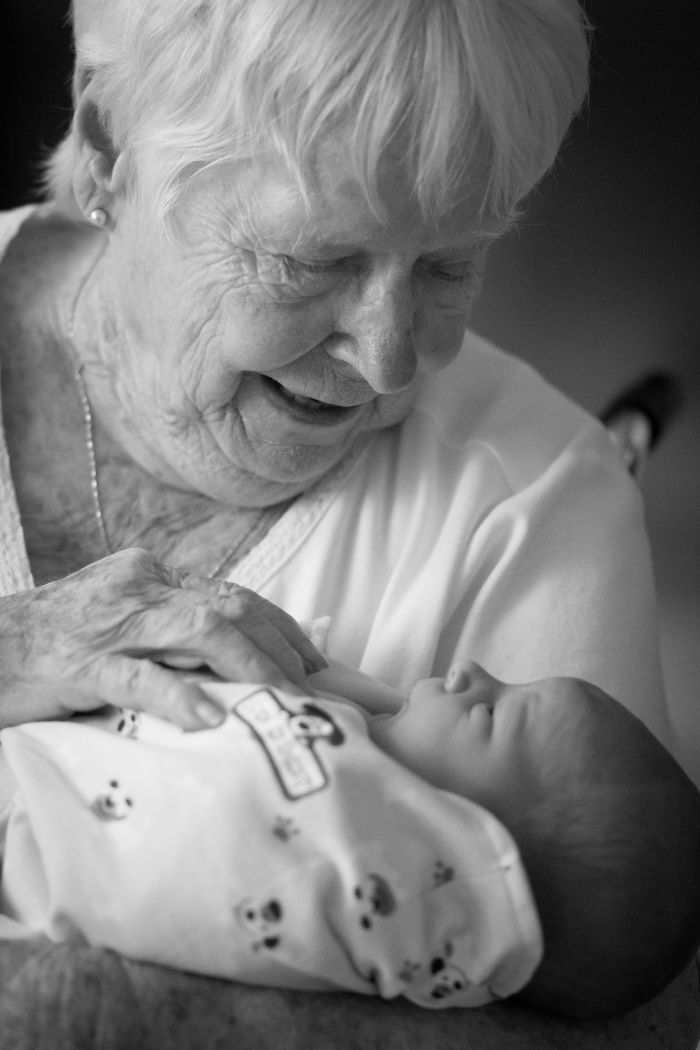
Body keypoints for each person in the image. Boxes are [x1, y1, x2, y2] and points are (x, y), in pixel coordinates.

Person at [0, 0, 695, 1045]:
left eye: (449, 267)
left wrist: (89, 1014)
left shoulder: (532, 498)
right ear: (109, 147)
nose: (390, 360)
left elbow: (635, 1019)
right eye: (313, 261)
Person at [2, 659, 699, 1022]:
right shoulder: (359, 731)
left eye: (489, 712)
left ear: (478, 853)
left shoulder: (362, 868)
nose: (468, 672)